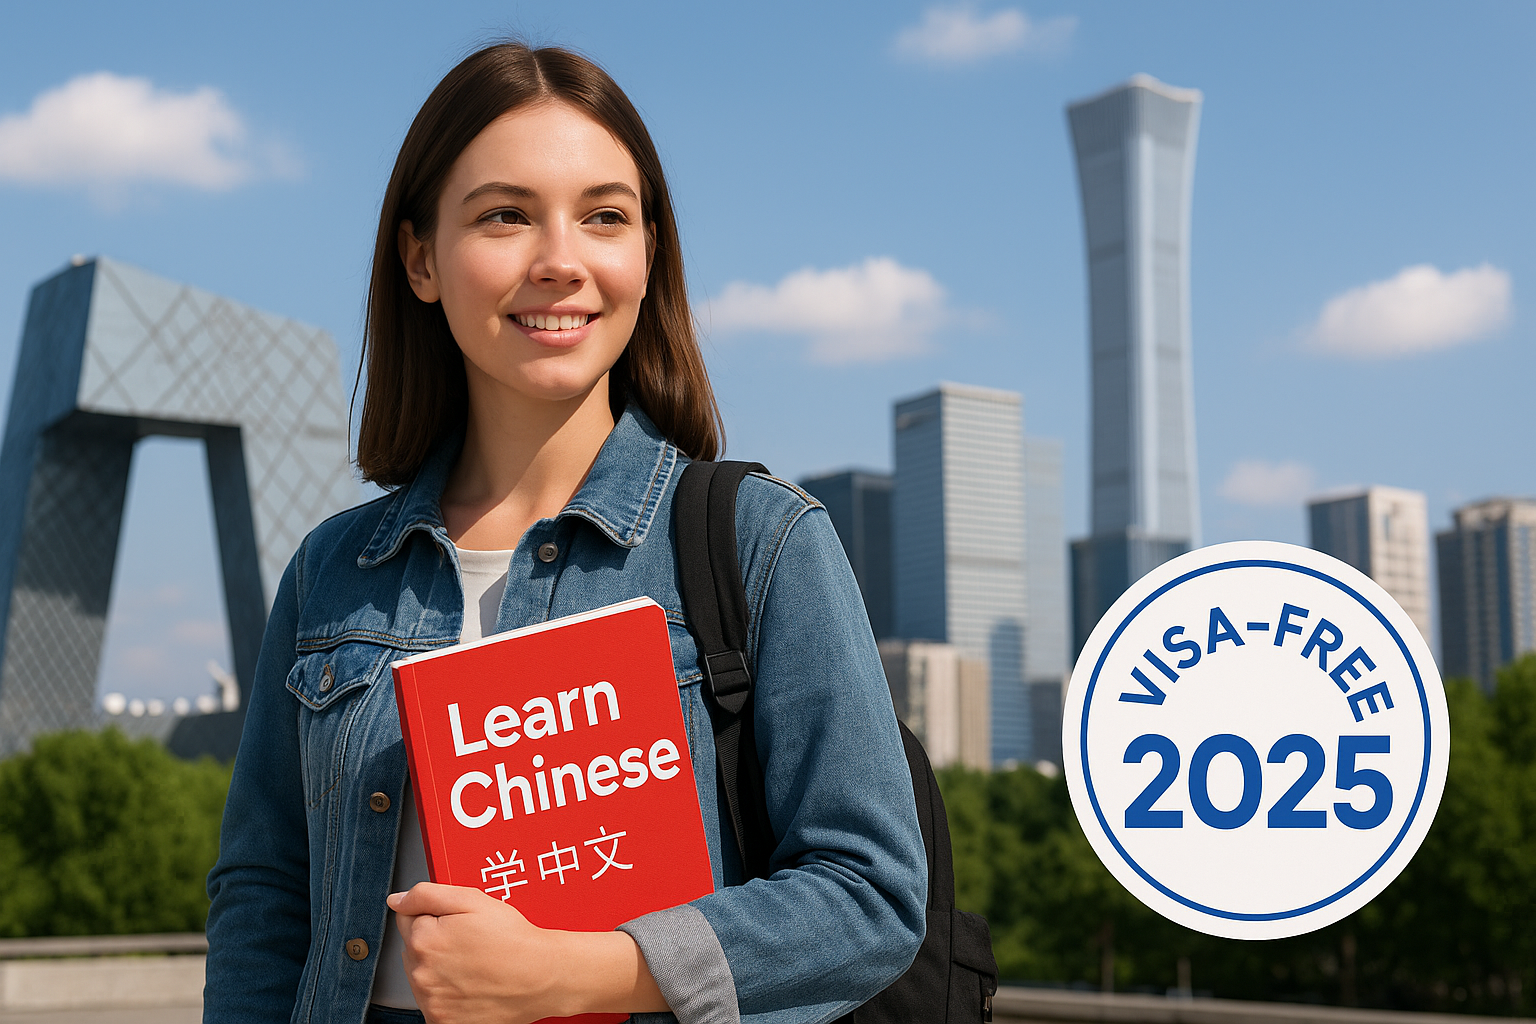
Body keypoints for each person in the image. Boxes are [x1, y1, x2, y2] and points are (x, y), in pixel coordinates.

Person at [203, 42, 925, 1024]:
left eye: (604, 217)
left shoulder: (763, 542)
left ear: (648, 252)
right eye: (505, 215)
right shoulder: (332, 571)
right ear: (419, 257)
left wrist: (581, 973)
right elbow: (264, 897)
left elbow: (871, 896)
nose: (560, 260)